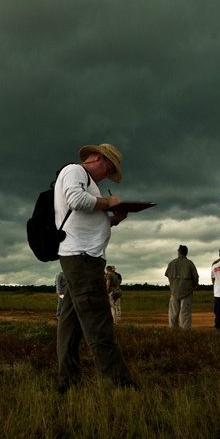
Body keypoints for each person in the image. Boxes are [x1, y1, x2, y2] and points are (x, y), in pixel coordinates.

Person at [55, 143, 136, 392]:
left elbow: (85, 219)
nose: (106, 176)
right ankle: (121, 385)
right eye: (108, 169)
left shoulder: (88, 181)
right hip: (83, 258)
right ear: (98, 158)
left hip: (82, 256)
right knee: (98, 322)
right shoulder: (75, 171)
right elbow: (77, 201)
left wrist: (113, 219)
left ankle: (66, 382)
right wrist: (108, 201)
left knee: (70, 324)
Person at [165, 245, 199, 329]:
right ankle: (185, 331)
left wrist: (173, 285)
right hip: (186, 292)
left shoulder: (172, 263)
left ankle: (173, 329)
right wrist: (195, 286)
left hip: (174, 291)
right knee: (185, 312)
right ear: (186, 253)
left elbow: (168, 276)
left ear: (179, 252)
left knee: (173, 312)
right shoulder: (189, 263)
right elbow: (195, 278)